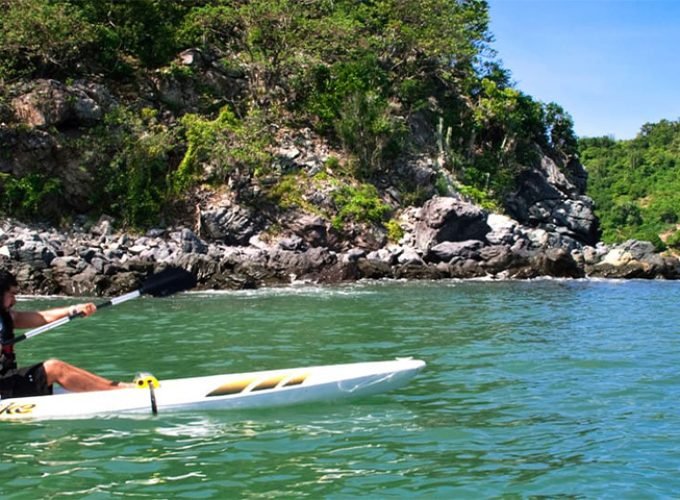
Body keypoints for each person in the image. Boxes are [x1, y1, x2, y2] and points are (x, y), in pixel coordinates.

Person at [0, 269, 132, 399]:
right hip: (4, 386)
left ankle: (118, 387)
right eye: (11, 295)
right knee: (55, 368)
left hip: (9, 378)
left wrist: (73, 310)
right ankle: (121, 392)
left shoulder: (8, 317)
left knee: (55, 367)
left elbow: (43, 317)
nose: (14, 301)